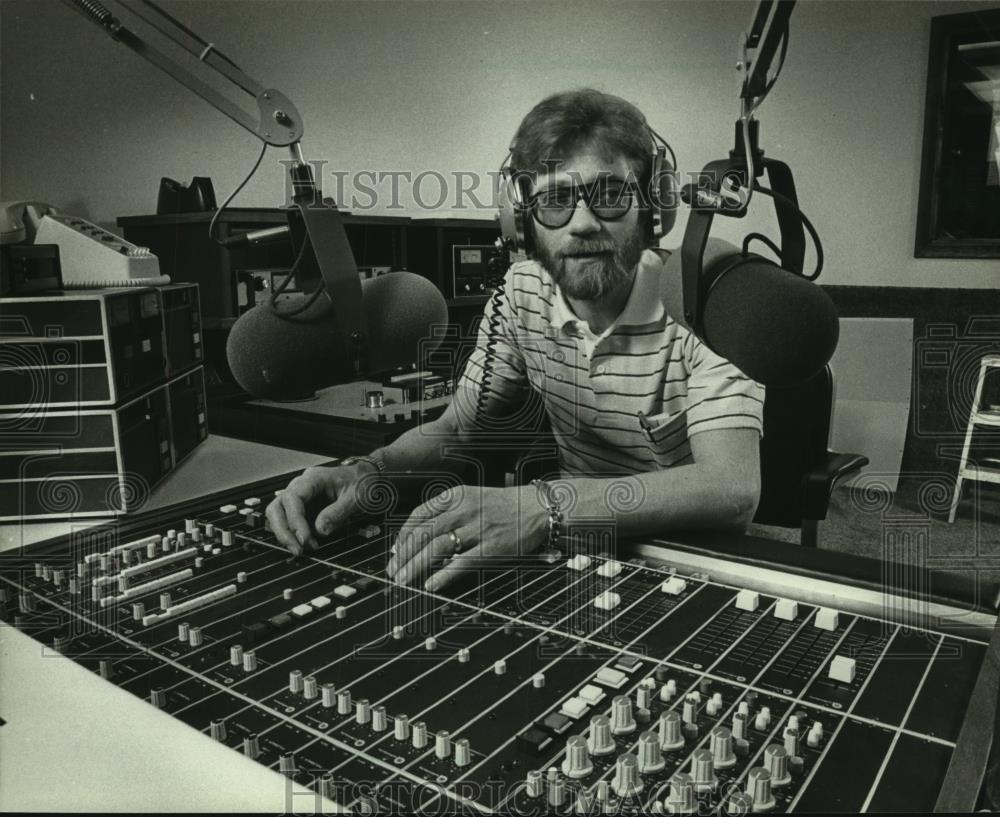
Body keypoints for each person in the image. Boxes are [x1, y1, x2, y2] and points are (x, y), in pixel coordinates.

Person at [266, 88, 764, 592]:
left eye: (611, 194)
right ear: (519, 220)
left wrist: (541, 506)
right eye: (554, 199)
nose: (584, 222)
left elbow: (731, 490)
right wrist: (369, 471)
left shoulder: (702, 297)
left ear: (652, 206)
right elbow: (457, 430)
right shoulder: (523, 292)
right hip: (572, 555)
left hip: (696, 564)